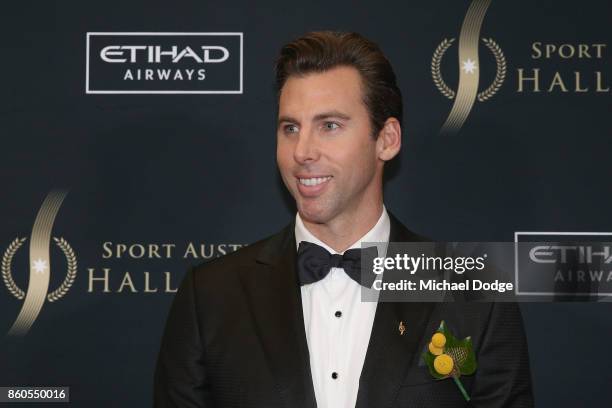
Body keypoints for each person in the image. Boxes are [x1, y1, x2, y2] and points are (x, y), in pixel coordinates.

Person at [154, 31, 533, 407]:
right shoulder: (210, 297)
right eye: (290, 128)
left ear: (387, 139)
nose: (302, 151)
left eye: (329, 126)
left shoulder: (472, 294)